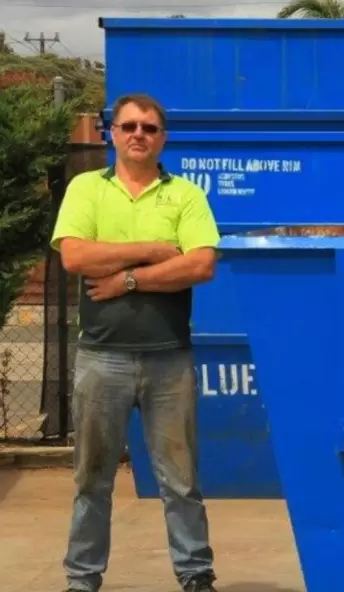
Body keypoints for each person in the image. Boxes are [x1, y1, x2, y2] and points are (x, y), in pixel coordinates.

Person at [50, 93, 221, 592]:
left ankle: (195, 574)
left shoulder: (186, 195)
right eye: (128, 126)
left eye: (149, 127)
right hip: (101, 358)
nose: (138, 135)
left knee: (182, 481)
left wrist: (126, 279)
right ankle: (82, 578)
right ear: (112, 134)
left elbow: (200, 264)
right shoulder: (86, 189)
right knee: (92, 479)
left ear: (162, 137)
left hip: (170, 359)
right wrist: (151, 252)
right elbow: (76, 257)